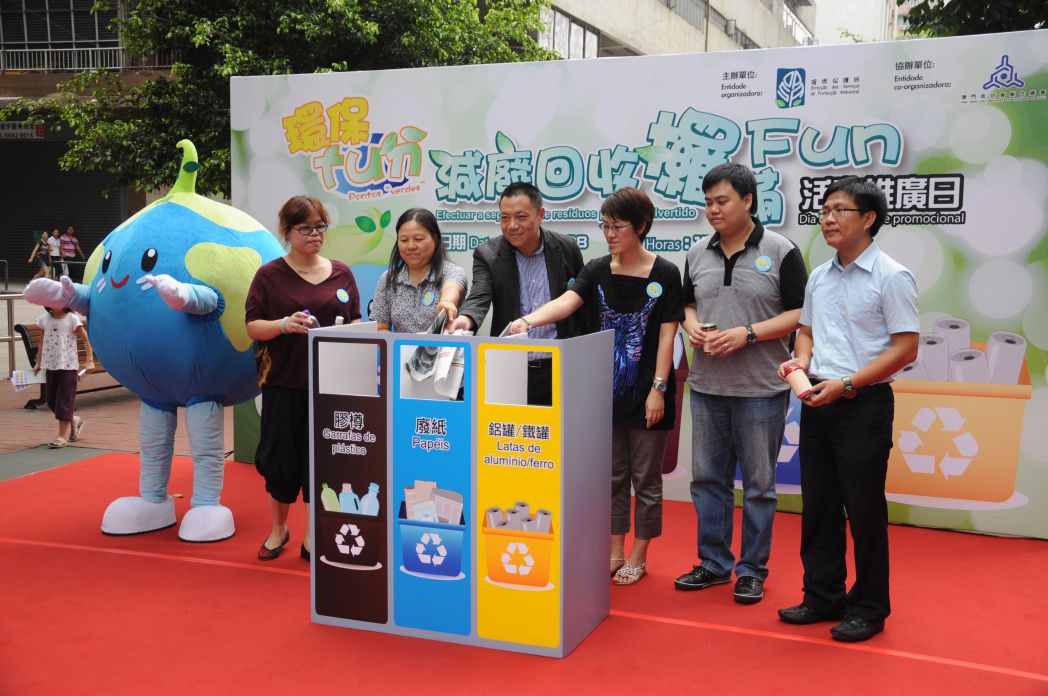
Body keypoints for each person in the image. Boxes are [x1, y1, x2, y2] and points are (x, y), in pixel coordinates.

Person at [507, 187, 683, 586]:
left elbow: (667, 336)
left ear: (641, 227)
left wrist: (658, 389)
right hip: (604, 394)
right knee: (612, 477)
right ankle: (615, 551)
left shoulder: (666, 273)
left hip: (648, 394)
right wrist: (528, 321)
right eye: (605, 226)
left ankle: (639, 555)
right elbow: (568, 302)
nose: (609, 234)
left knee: (646, 479)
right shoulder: (598, 269)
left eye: (618, 227)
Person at [776, 176, 918, 642]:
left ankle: (870, 607)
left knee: (864, 510)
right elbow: (807, 332)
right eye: (825, 210)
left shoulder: (891, 276)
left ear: (869, 218)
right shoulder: (820, 276)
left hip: (863, 403)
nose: (828, 219)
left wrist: (849, 383)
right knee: (818, 505)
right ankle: (822, 596)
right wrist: (801, 360)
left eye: (840, 210)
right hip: (818, 398)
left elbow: (906, 348)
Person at [673, 163, 809, 605]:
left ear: (748, 200)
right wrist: (692, 327)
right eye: (708, 202)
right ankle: (713, 563)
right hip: (706, 386)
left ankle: (752, 569)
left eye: (722, 201)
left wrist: (748, 334)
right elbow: (687, 304)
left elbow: (801, 314)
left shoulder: (781, 249)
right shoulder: (697, 252)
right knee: (707, 481)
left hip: (760, 390)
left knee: (758, 487)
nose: (713, 210)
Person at [245, 195, 361, 562]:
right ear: (287, 231)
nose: (315, 234)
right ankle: (279, 529)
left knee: (323, 464)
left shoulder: (342, 273)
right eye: (306, 228)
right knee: (280, 463)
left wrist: (348, 332)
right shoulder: (269, 275)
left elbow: (356, 320)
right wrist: (284, 324)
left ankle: (313, 535)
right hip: (283, 386)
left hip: (331, 390)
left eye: (320, 226)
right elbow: (252, 327)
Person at [448, 181, 588, 406]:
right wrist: (466, 319)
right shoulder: (487, 254)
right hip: (511, 366)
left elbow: (580, 302)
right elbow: (479, 295)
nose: (512, 225)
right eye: (504, 217)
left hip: (560, 365)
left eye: (521, 217)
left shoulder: (566, 247)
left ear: (540, 215)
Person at [371, 208, 467, 332]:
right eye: (404, 240)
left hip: (441, 345)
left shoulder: (451, 271)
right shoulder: (388, 278)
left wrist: (446, 302)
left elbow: (453, 286)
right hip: (400, 345)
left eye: (418, 239)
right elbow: (381, 327)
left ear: (435, 240)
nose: (411, 246)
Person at [33, 305, 94, 448]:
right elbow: (41, 342)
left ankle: (61, 436)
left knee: (64, 400)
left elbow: (86, 339)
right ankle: (74, 419)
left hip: (68, 366)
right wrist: (38, 362)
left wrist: (89, 360)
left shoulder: (72, 319)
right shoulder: (44, 320)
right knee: (51, 401)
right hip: (51, 365)